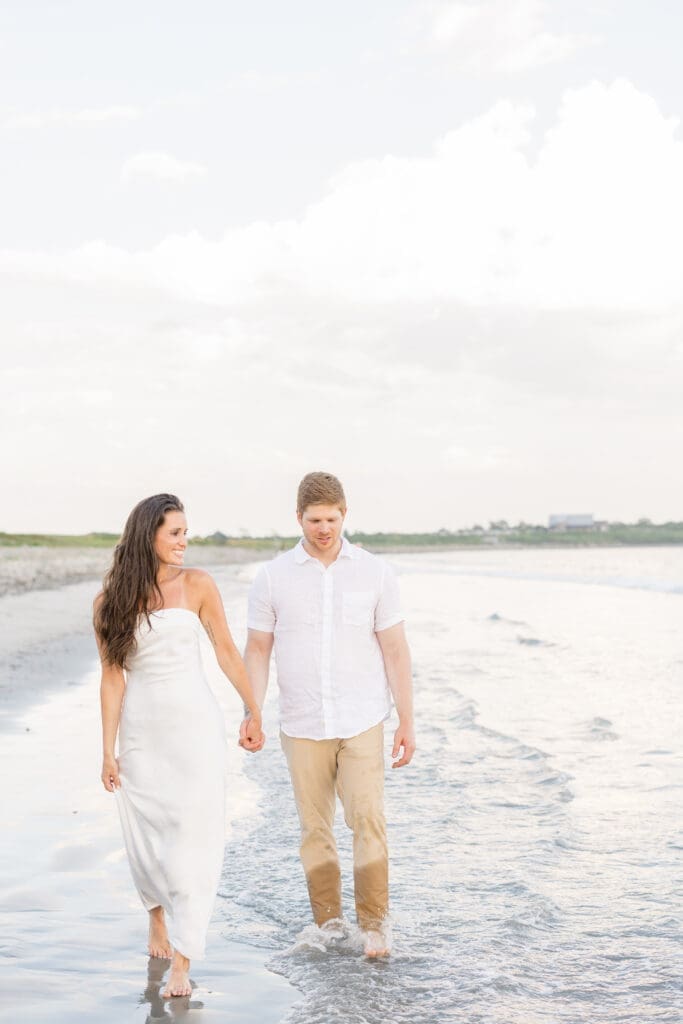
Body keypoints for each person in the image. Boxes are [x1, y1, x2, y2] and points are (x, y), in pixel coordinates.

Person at [94, 493, 263, 998]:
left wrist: (253, 708)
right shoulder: (111, 601)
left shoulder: (198, 585)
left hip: (195, 730)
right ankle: (157, 920)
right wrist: (107, 750)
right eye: (174, 533)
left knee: (195, 838)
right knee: (146, 833)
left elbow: (227, 652)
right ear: (148, 535)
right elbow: (111, 678)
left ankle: (184, 959)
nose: (184, 541)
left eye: (186, 532)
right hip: (143, 733)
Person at [242, 471, 415, 956]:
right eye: (314, 520)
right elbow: (257, 650)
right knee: (314, 828)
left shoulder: (375, 572)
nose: (323, 528)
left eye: (332, 519)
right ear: (298, 517)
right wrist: (251, 710)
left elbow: (396, 650)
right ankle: (329, 926)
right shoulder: (273, 576)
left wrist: (407, 720)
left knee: (368, 820)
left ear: (345, 515)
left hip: (363, 719)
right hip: (301, 723)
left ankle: (374, 926)